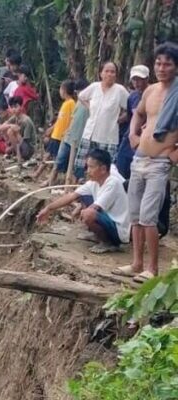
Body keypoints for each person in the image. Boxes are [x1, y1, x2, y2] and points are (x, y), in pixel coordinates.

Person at [115, 43, 178, 283]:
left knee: (148, 216)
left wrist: (175, 153)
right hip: (139, 157)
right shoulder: (150, 91)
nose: (162, 68)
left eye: (168, 64)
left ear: (176, 67)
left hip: (160, 162)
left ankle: (152, 268)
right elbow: (139, 114)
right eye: (159, 63)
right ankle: (136, 263)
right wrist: (132, 134)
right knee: (134, 214)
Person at [37, 149, 129, 254]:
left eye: (91, 167)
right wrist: (48, 208)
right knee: (84, 198)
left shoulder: (113, 183)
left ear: (103, 169)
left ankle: (109, 243)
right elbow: (72, 196)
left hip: (118, 230)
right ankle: (98, 235)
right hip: (108, 220)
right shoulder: (94, 182)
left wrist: (83, 213)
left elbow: (95, 207)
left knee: (89, 214)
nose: (87, 170)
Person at [73, 62, 129, 180]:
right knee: (84, 166)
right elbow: (81, 97)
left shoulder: (120, 91)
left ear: (116, 75)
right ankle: (81, 189)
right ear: (101, 73)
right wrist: (90, 108)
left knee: (105, 169)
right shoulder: (94, 87)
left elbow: (130, 109)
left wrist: (119, 119)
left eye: (112, 72)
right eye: (106, 71)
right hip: (90, 134)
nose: (109, 74)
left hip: (108, 137)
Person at [45, 79, 90, 186]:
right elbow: (73, 119)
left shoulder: (90, 105)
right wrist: (67, 130)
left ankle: (71, 186)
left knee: (76, 165)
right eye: (78, 93)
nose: (79, 94)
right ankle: (50, 181)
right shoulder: (78, 103)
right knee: (58, 161)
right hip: (69, 136)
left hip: (79, 139)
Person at [33, 80, 76, 182]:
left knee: (54, 158)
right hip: (56, 135)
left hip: (61, 136)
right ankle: (39, 174)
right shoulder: (65, 103)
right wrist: (51, 129)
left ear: (64, 90)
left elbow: (72, 119)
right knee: (49, 156)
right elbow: (59, 121)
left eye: (60, 89)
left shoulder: (71, 103)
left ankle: (43, 176)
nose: (59, 91)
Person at [0, 96, 36, 162]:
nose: (14, 109)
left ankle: (20, 155)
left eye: (16, 107)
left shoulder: (26, 121)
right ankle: (17, 154)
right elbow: (1, 128)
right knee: (10, 130)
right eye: (12, 107)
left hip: (29, 148)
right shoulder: (15, 117)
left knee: (10, 131)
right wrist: (11, 125)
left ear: (21, 106)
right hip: (20, 145)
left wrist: (16, 133)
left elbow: (27, 141)